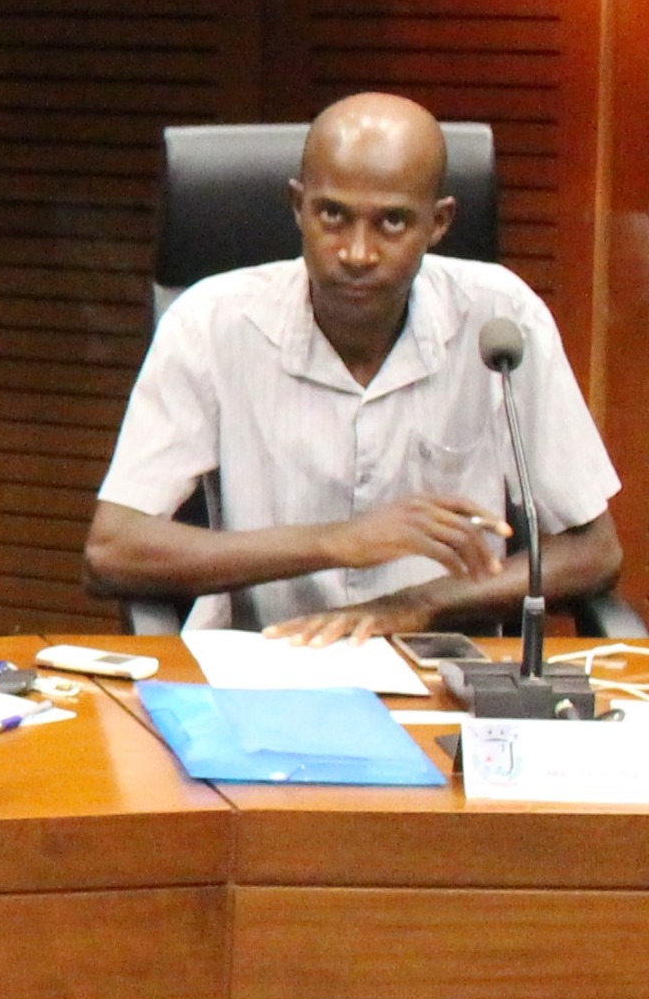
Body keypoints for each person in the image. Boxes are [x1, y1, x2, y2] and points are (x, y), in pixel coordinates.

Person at [86, 92, 622, 639]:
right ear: (298, 206)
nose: (357, 253)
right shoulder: (210, 322)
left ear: (438, 223)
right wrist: (336, 541)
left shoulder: (502, 319)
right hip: (266, 656)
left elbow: (594, 551)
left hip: (443, 662)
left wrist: (420, 605)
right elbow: (113, 549)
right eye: (333, 215)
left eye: (392, 222)